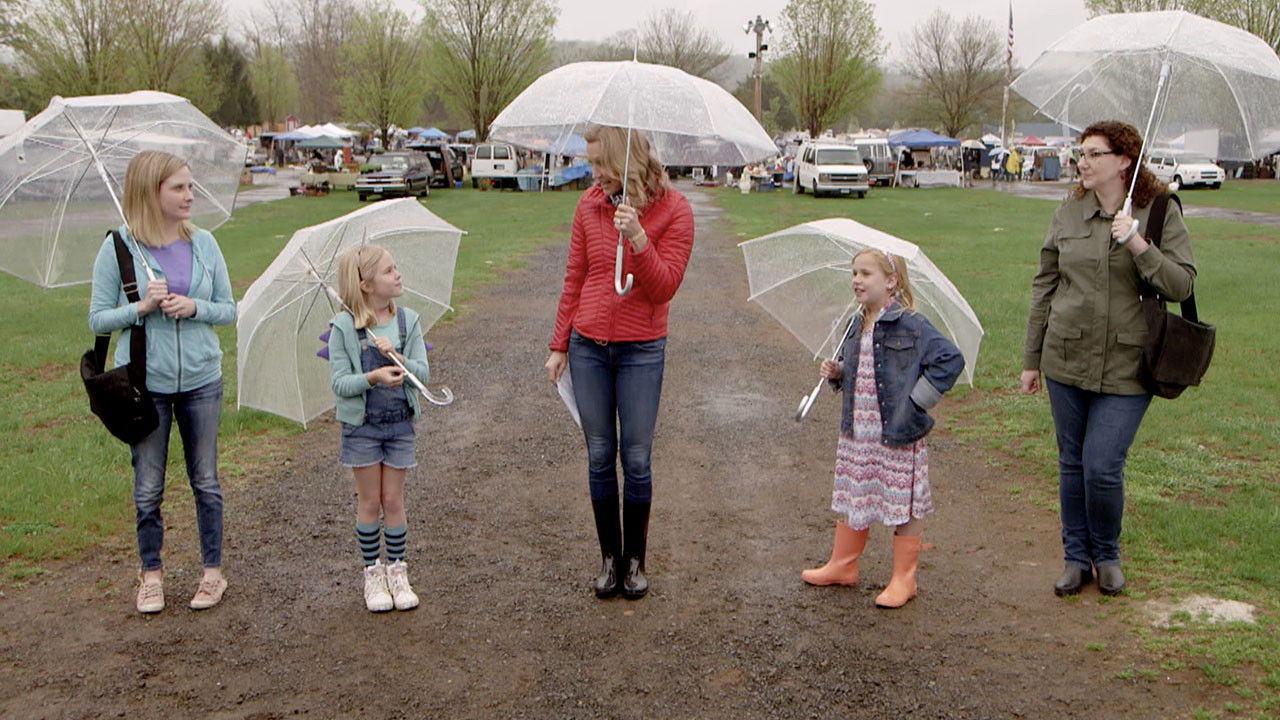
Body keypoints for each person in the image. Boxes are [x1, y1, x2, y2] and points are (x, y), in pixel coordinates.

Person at [1020, 120, 1196, 597]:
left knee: (1101, 464)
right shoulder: (1068, 212)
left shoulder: (1159, 211)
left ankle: (1108, 554)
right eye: (1081, 153)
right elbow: (1045, 285)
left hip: (1128, 364)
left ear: (1124, 160)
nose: (1083, 161)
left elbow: (1182, 285)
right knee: (1071, 463)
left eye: (1094, 153)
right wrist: (1031, 358)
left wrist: (1137, 242)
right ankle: (1076, 558)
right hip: (1065, 357)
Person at [544, 124, 694, 600]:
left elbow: (664, 286)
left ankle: (635, 562)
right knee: (599, 454)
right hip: (588, 345)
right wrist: (559, 344)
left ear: (625, 162)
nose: (593, 174)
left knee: (636, 457)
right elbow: (575, 277)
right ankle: (609, 559)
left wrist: (639, 239)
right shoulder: (588, 204)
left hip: (641, 350)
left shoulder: (676, 212)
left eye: (599, 163)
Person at [88, 150, 236, 614]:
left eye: (190, 186)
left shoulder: (205, 244)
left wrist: (194, 308)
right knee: (148, 486)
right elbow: (97, 317)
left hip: (201, 380)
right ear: (152, 192)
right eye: (179, 187)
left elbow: (229, 310)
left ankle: (213, 574)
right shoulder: (119, 248)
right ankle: (150, 576)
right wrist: (140, 308)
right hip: (144, 385)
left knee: (206, 481)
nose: (190, 195)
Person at [801, 249, 964, 608]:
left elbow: (949, 360)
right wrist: (838, 372)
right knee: (855, 493)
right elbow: (858, 370)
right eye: (854, 273)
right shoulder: (855, 323)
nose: (857, 280)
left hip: (895, 432)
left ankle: (904, 579)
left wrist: (916, 401)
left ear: (891, 281)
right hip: (859, 429)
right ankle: (843, 565)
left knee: (902, 504)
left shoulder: (912, 325)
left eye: (866, 273)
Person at [328, 245, 431, 613]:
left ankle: (398, 570)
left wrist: (400, 358)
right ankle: (374, 572)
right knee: (370, 501)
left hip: (399, 425)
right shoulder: (344, 327)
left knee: (393, 500)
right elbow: (340, 384)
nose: (398, 275)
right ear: (366, 284)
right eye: (389, 271)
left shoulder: (408, 321)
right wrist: (372, 375)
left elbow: (424, 374)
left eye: (396, 267)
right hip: (362, 429)